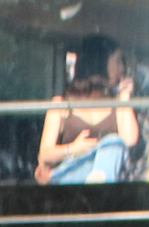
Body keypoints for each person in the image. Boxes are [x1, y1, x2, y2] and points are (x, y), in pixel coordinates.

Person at [38, 33, 140, 185]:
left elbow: (129, 141)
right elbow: (45, 154)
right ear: (100, 62)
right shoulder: (61, 104)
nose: (122, 68)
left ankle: (98, 179)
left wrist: (125, 95)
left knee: (113, 143)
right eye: (118, 61)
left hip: (106, 178)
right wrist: (72, 149)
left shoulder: (117, 104)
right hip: (71, 172)